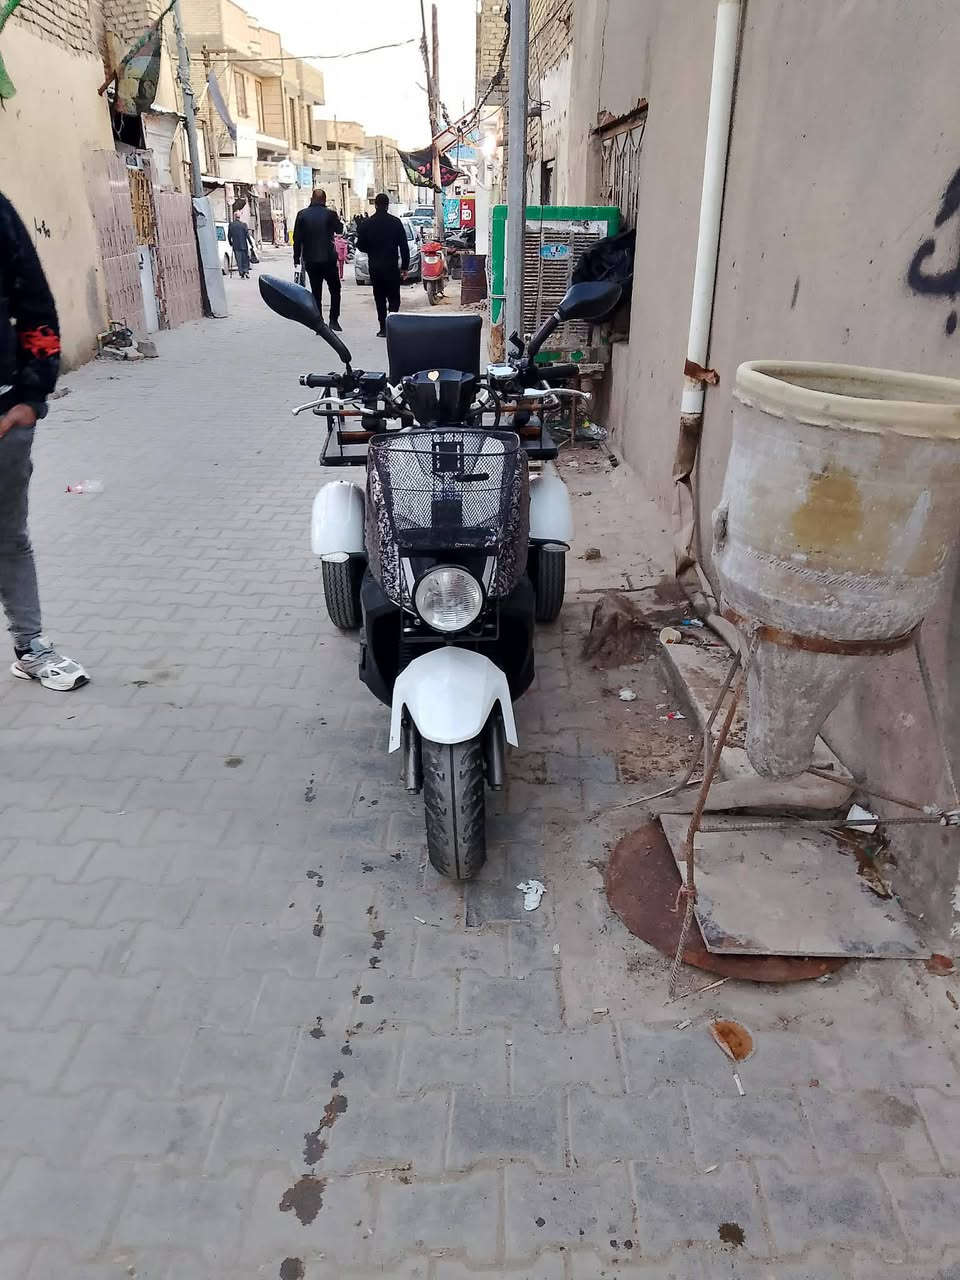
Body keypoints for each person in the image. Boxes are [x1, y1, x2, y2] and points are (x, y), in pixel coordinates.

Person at [0, 192, 87, 690]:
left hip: (4, 417)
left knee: (8, 537)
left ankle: (30, 646)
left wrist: (31, 398)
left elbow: (35, 303)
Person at [356, 192, 410, 337]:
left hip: (375, 267)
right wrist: (405, 267)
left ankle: (382, 328)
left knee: (379, 297)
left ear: (375, 205)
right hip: (391, 266)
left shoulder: (367, 223)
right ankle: (392, 325)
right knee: (394, 297)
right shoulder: (395, 222)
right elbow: (404, 246)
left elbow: (360, 245)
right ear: (387, 205)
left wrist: (371, 249)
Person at [293, 189, 344, 332]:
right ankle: (333, 320)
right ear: (324, 200)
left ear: (312, 199)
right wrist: (336, 217)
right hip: (328, 259)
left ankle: (319, 322)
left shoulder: (302, 214)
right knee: (335, 289)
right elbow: (339, 230)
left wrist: (296, 257)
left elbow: (297, 238)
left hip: (311, 259)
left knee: (316, 292)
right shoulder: (330, 214)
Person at [227, 211, 254, 278]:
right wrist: (251, 243)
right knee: (245, 259)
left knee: (239, 260)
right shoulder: (244, 225)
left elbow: (229, 235)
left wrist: (230, 243)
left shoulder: (231, 225)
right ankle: (246, 271)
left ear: (234, 217)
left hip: (236, 245)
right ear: (239, 217)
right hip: (244, 245)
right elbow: (247, 235)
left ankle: (241, 273)